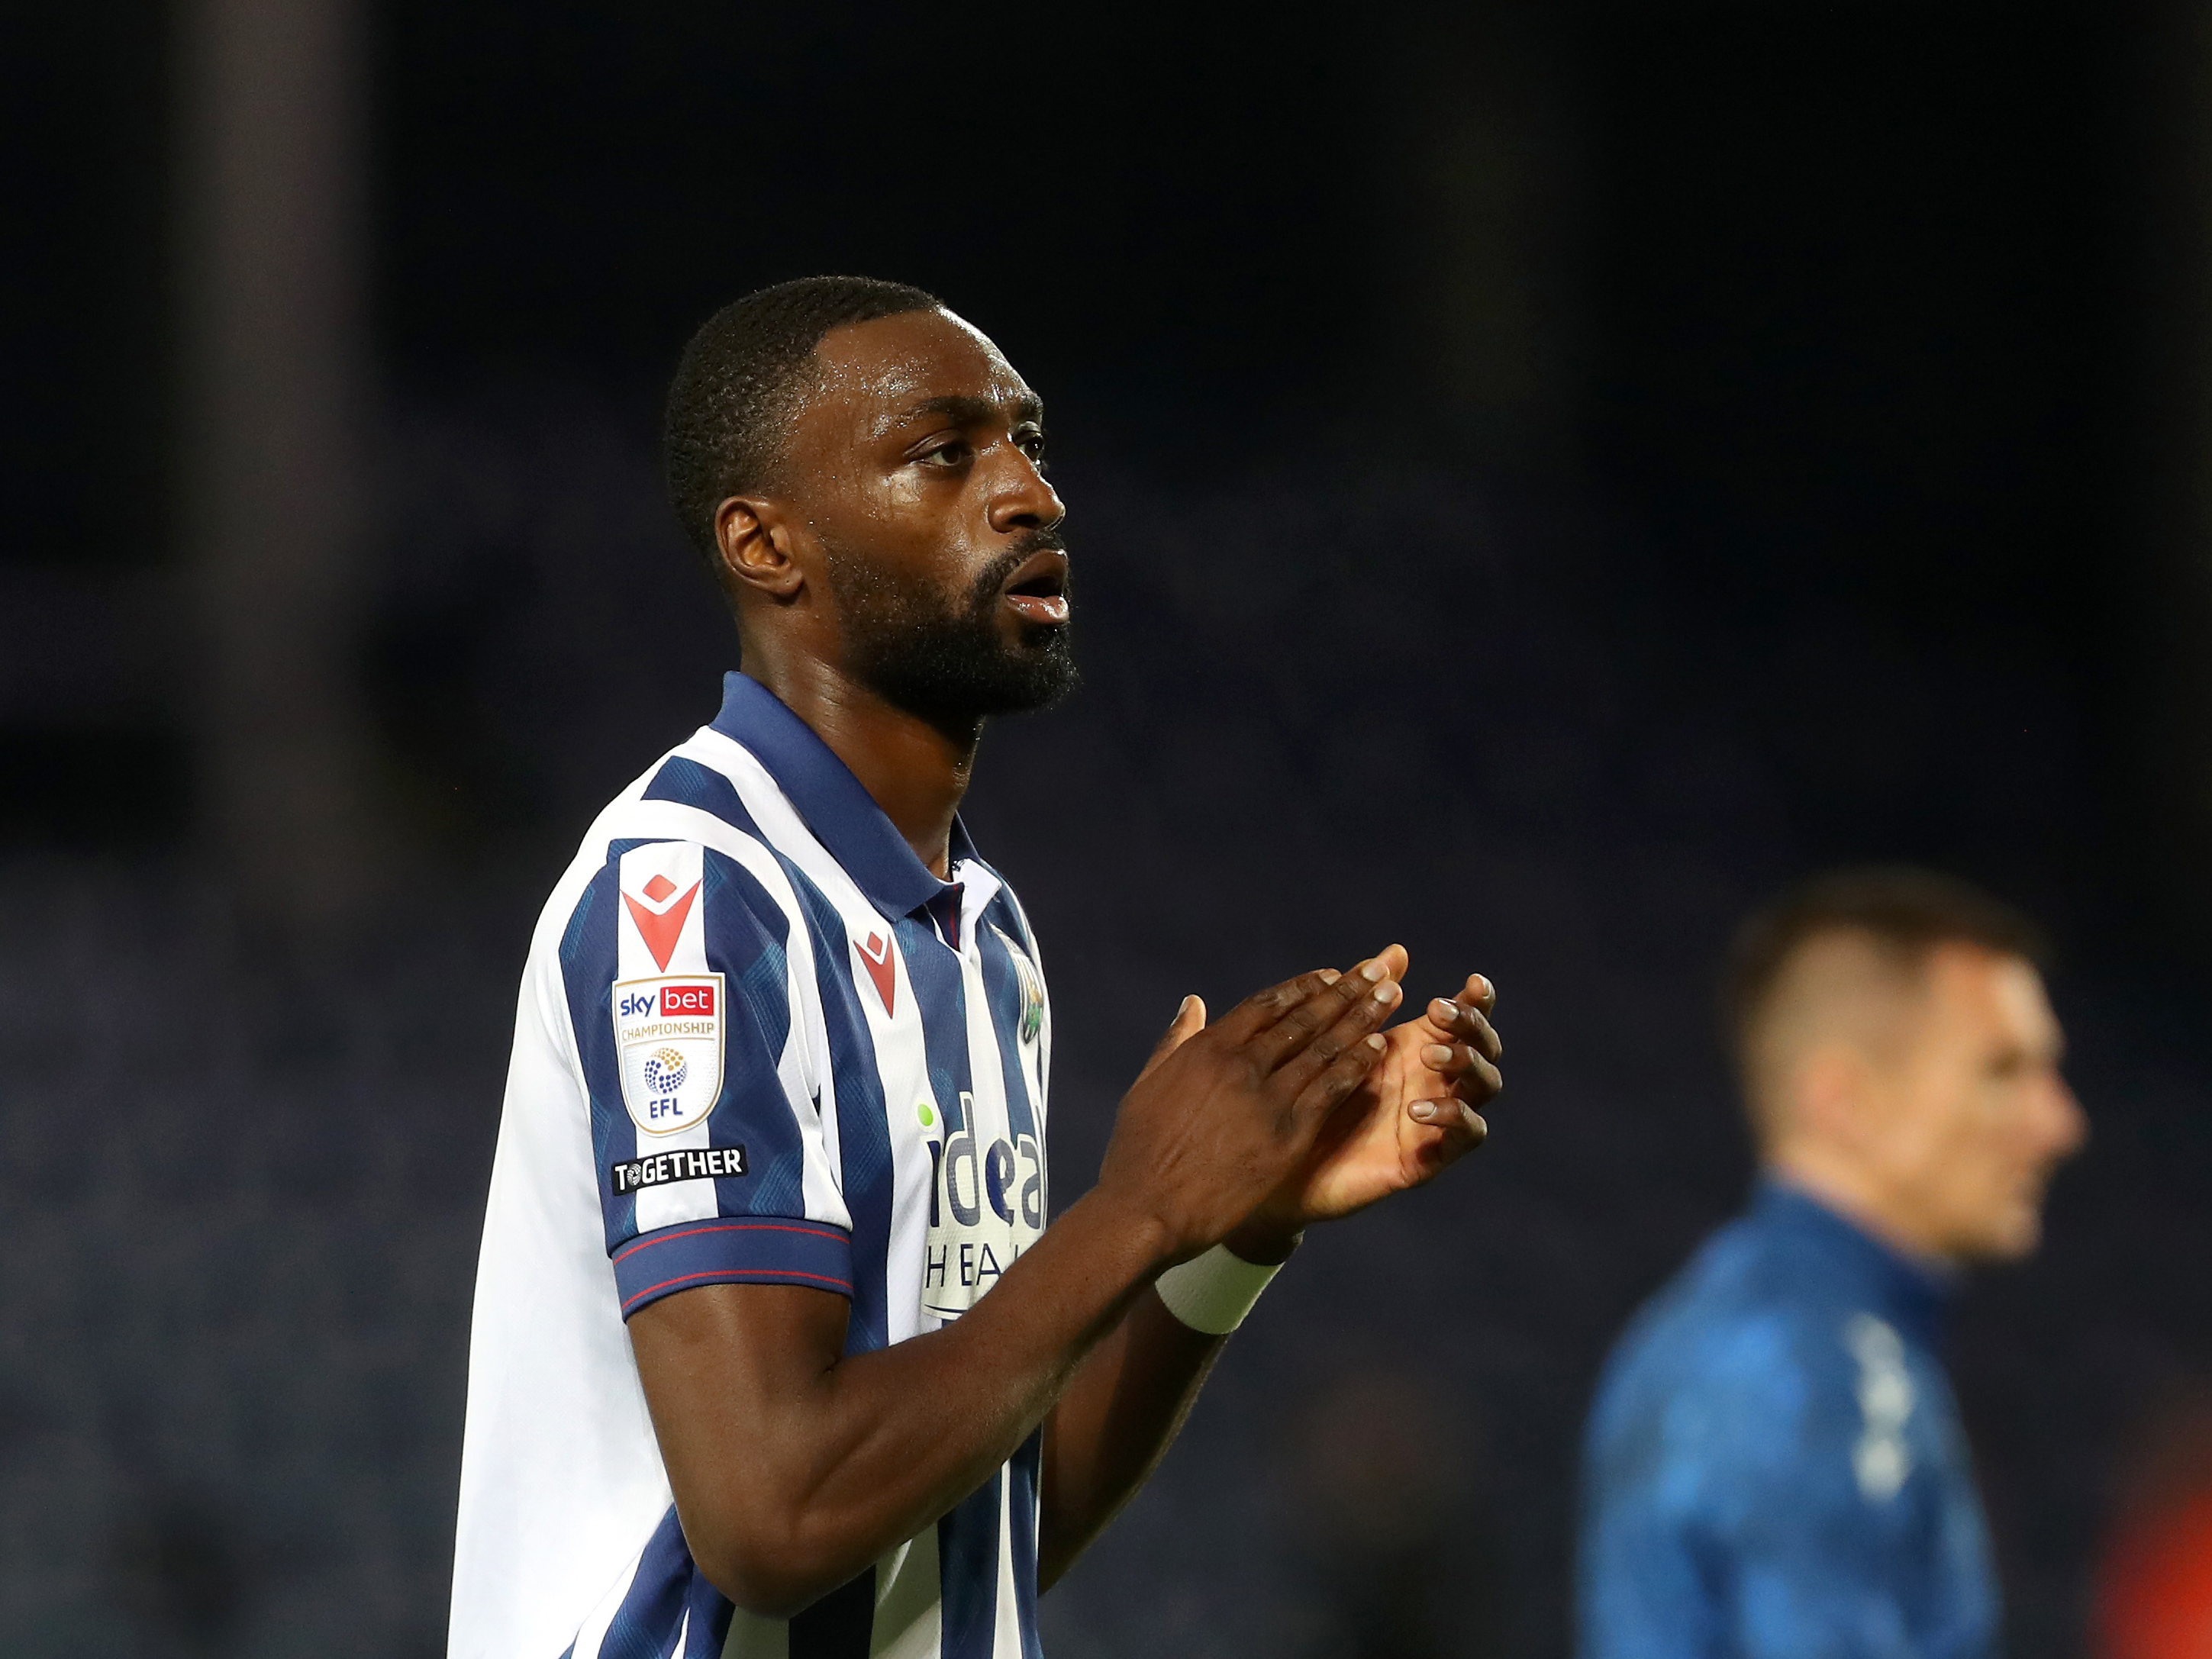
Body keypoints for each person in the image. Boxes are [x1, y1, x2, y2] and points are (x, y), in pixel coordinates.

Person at [448, 276, 1506, 1659]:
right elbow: (772, 1515)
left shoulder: (981, 932)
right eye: (943, 452)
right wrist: (1132, 1211)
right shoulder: (696, 897)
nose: (1028, 494)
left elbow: (974, 1524)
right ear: (768, 544)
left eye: (1028, 440)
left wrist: (1232, 1229)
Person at [1578, 867, 2087, 1659]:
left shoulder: (1727, 1332)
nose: (2060, 1122)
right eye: (2003, 1071)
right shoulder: (1812, 1371)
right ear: (1843, 1101)